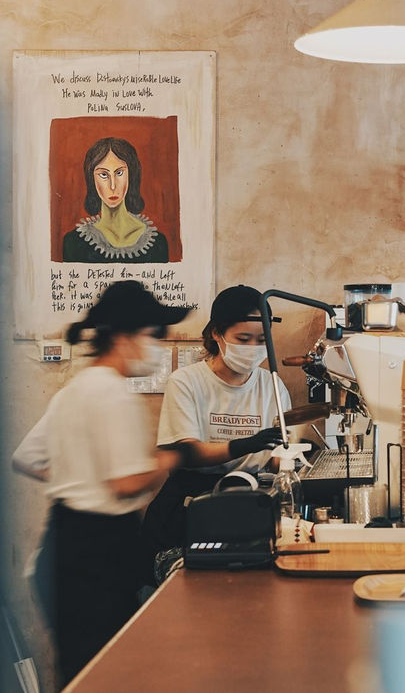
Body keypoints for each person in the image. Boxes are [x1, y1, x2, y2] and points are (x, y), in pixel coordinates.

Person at [11, 281, 196, 686]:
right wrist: (167, 460)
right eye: (153, 336)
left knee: (79, 672)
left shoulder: (73, 392)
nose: (157, 347)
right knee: (106, 675)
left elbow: (25, 458)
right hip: (96, 555)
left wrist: (76, 478)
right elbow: (127, 484)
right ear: (126, 337)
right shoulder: (112, 394)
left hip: (61, 543)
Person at [142, 285, 289, 578]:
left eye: (262, 340)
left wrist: (290, 461)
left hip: (249, 506)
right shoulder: (186, 381)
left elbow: (278, 455)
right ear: (216, 334)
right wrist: (245, 445)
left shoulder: (272, 384)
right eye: (243, 339)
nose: (253, 348)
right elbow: (187, 453)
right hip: (190, 509)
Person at [62, 136, 169, 263]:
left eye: (119, 173)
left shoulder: (157, 243)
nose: (113, 186)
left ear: (131, 175)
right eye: (103, 175)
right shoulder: (73, 243)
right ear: (92, 180)